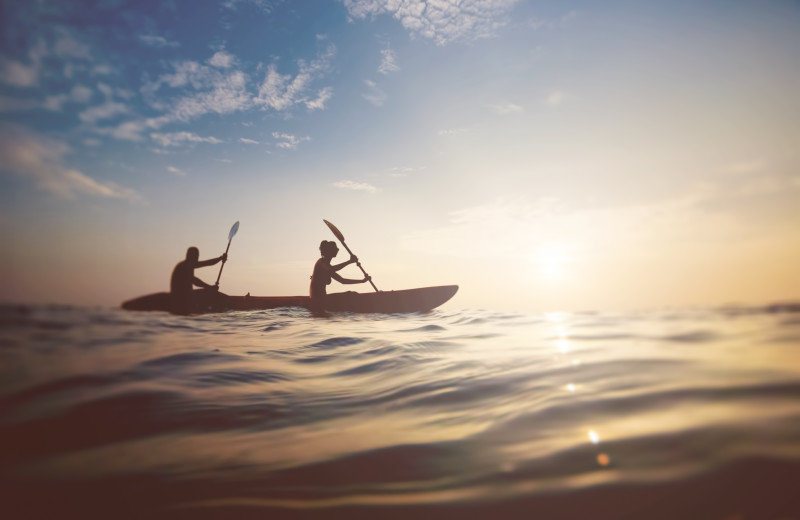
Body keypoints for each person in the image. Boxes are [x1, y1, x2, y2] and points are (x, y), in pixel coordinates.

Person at [170, 247, 227, 313]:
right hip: (183, 298)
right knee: (213, 295)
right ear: (189, 256)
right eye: (195, 256)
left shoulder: (188, 264)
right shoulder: (184, 266)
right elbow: (195, 281)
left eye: (197, 256)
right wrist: (210, 288)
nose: (197, 259)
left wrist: (220, 258)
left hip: (186, 296)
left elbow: (207, 263)